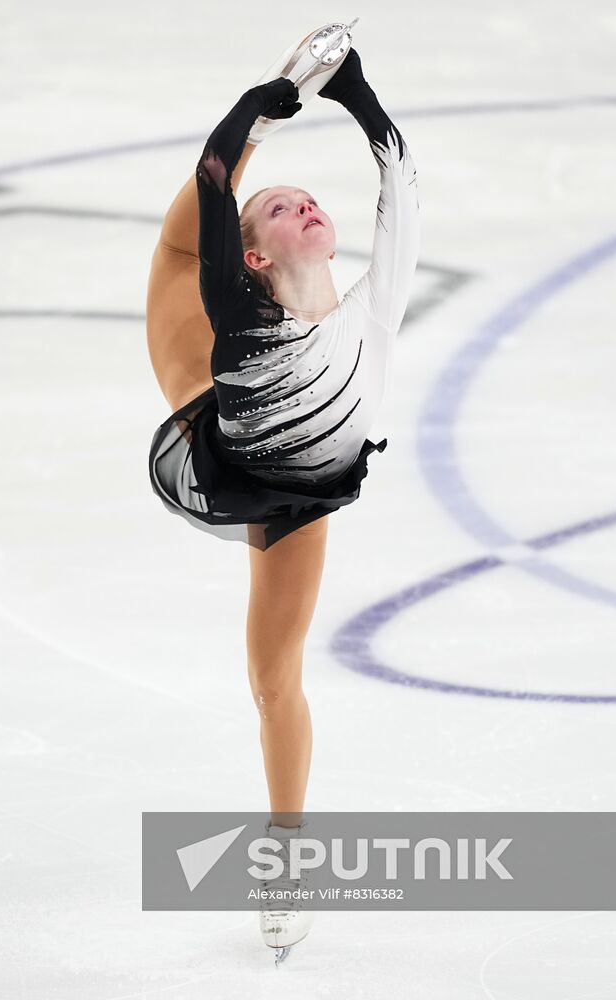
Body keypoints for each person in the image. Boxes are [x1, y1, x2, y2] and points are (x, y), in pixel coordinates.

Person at [145, 45, 419, 958]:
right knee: (179, 245)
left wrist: (349, 93)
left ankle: (287, 856)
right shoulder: (236, 306)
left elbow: (402, 183)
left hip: (297, 485)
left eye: (310, 198)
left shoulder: (370, 313)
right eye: (277, 205)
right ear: (255, 253)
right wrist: (264, 106)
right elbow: (216, 187)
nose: (302, 200)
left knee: (271, 679)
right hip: (213, 421)